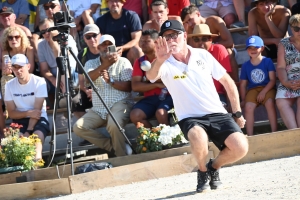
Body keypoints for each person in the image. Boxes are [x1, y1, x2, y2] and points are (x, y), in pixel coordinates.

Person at [146, 20, 248, 193]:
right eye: (166, 36)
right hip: (190, 117)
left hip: (217, 112)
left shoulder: (202, 55)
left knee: (241, 148)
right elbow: (151, 76)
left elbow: (228, 83)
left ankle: (213, 167)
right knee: (197, 136)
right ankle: (202, 171)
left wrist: (237, 112)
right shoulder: (164, 63)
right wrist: (159, 60)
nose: (171, 40)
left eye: (174, 35)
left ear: (184, 36)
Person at [73, 34, 134, 157]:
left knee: (113, 124)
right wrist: (105, 64)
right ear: (99, 48)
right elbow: (87, 81)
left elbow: (129, 87)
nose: (106, 47)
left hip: (120, 103)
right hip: (99, 108)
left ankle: (121, 157)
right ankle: (114, 146)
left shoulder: (124, 62)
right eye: (103, 45)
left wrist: (111, 82)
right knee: (78, 127)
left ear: (114, 47)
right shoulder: (91, 63)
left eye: (109, 45)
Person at [4, 54, 50, 160]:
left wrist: (28, 131)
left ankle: (37, 175)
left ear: (28, 67)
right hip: (19, 120)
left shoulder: (39, 82)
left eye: (21, 67)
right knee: (17, 149)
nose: (18, 70)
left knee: (36, 148)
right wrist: (28, 113)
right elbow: (11, 113)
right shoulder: (9, 85)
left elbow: (37, 112)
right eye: (15, 67)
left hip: (38, 119)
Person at [181, 4, 239, 82]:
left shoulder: (214, 21)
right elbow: (190, 48)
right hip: (202, 54)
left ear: (198, 14)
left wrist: (212, 47)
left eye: (190, 19)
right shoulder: (190, 29)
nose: (190, 24)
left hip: (220, 51)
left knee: (229, 51)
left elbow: (230, 42)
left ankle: (235, 83)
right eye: (187, 22)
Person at [130, 29, 173, 128]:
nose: (142, 44)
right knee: (135, 115)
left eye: (147, 41)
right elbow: (135, 86)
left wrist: (146, 81)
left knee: (161, 113)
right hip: (150, 99)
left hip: (169, 96)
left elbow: (171, 79)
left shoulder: (167, 58)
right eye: (141, 41)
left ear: (156, 42)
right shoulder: (139, 61)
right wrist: (156, 84)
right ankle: (155, 139)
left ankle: (169, 139)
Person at [240, 35, 277, 136]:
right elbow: (243, 84)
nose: (253, 50)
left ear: (262, 48)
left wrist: (263, 92)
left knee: (269, 103)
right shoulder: (245, 65)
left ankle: (275, 132)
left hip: (267, 88)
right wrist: (244, 99)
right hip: (252, 90)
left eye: (256, 47)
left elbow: (273, 80)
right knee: (248, 107)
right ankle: (250, 135)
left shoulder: (267, 61)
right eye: (250, 48)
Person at [187, 24, 232, 107]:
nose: (200, 43)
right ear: (192, 41)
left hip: (217, 95)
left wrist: (231, 103)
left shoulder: (219, 49)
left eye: (204, 39)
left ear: (210, 40)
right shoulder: (189, 55)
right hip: (197, 96)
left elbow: (227, 80)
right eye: (196, 39)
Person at [38, 18, 78, 108]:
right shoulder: (41, 45)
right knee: (41, 82)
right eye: (43, 32)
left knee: (63, 69)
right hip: (54, 74)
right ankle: (52, 107)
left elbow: (60, 58)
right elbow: (44, 69)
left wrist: (53, 41)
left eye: (49, 30)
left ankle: (66, 99)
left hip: (70, 72)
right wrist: (53, 80)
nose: (47, 33)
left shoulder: (67, 38)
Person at [74, 24, 101, 146]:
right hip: (89, 89)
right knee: (75, 100)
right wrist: (86, 90)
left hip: (106, 88)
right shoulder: (82, 54)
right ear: (84, 39)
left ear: (99, 35)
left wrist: (95, 92)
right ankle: (89, 132)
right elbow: (80, 80)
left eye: (94, 35)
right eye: (88, 37)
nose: (92, 39)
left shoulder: (106, 50)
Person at [96, 0, 143, 65]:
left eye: (117, 1)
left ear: (122, 3)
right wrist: (113, 51)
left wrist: (122, 48)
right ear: (107, 3)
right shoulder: (101, 20)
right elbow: (98, 41)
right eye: (111, 1)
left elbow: (136, 39)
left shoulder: (132, 16)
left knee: (137, 50)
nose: (114, 4)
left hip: (128, 50)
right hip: (109, 51)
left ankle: (140, 74)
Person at [1, 26, 35, 114]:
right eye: (10, 38)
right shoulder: (5, 52)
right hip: (13, 77)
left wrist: (17, 70)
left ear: (22, 38)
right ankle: (8, 108)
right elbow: (4, 72)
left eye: (17, 37)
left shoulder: (29, 49)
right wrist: (6, 70)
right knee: (5, 78)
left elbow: (31, 69)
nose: (14, 40)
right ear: (6, 40)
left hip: (27, 76)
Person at [276, 14, 300, 129]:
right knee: (281, 102)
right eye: (297, 29)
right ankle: (294, 134)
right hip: (288, 78)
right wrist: (285, 82)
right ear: (291, 29)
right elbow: (281, 67)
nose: (299, 31)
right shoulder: (284, 43)